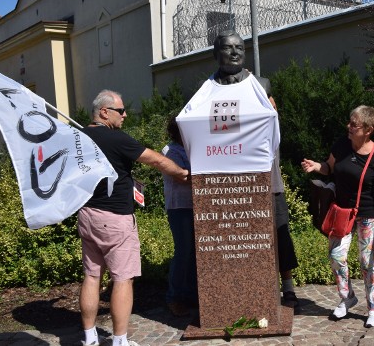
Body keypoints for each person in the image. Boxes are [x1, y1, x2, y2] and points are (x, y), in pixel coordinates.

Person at [78, 90, 190, 346]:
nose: (125, 114)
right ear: (104, 112)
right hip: (115, 218)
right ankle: (119, 341)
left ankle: (89, 338)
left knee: (92, 276)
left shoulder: (78, 137)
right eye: (121, 110)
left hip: (87, 214)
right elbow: (155, 160)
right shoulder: (116, 139)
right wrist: (182, 173)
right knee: (122, 278)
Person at [301, 105, 374, 328]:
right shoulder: (342, 145)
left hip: (369, 214)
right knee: (336, 256)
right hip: (341, 212)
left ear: (368, 129)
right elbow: (329, 167)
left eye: (354, 124)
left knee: (367, 261)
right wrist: (316, 166)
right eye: (350, 122)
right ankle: (347, 297)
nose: (349, 127)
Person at [210, 30, 300, 307]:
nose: (235, 52)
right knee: (235, 237)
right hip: (229, 178)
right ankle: (239, 286)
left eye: (240, 48)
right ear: (216, 53)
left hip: (266, 175)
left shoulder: (261, 84)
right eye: (228, 48)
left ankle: (287, 287)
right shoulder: (208, 90)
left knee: (279, 232)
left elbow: (273, 128)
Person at [162, 115, 197, 317]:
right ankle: (174, 297)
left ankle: (191, 294)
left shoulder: (191, 149)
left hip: (194, 206)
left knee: (194, 252)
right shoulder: (170, 151)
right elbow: (184, 177)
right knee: (183, 252)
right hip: (179, 207)